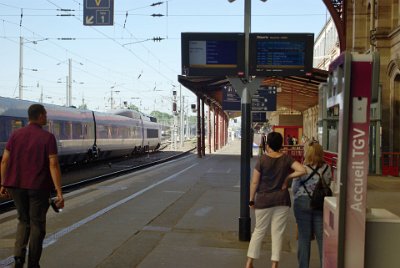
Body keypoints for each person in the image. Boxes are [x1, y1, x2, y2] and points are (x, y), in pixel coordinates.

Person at [0, 104, 64, 268]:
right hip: (38, 187)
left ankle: (19, 259)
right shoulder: (48, 137)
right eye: (46, 115)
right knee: (37, 225)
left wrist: (3, 183)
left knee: (23, 221)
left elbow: (5, 161)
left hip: (16, 186)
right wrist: (59, 192)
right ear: (40, 116)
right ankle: (33, 264)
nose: (47, 117)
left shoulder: (15, 135)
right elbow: (53, 164)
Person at [246, 132, 306, 268]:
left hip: (263, 200)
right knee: (277, 233)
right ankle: (274, 264)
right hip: (281, 201)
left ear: (268, 145)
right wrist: (287, 178)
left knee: (259, 231)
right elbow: (302, 170)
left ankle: (249, 262)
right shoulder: (286, 159)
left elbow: (254, 183)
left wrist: (251, 200)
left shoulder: (262, 160)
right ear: (280, 145)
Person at [291, 142, 332, 268]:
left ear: (307, 153)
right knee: (322, 239)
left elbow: (294, 188)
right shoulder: (327, 168)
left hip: (302, 203)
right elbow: (328, 184)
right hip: (320, 204)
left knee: (304, 238)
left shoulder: (302, 168)